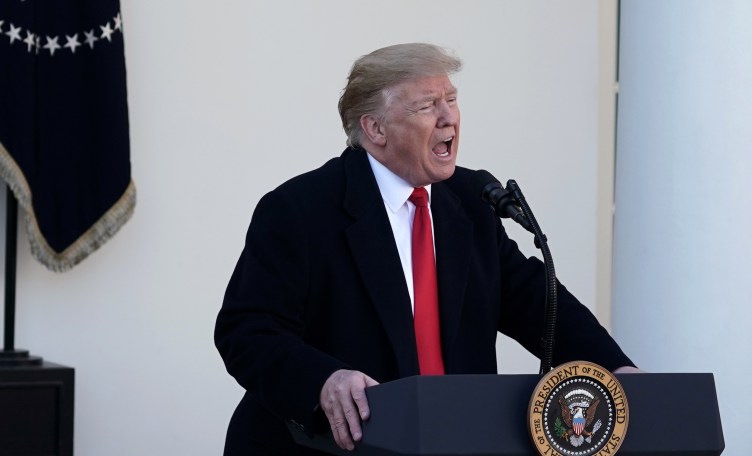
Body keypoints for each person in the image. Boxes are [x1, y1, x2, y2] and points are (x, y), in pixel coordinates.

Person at [214, 43, 637, 455]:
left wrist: (619, 372)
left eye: (450, 100)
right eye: (426, 105)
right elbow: (247, 330)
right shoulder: (300, 210)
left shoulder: (470, 202)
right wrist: (324, 380)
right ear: (375, 129)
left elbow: (537, 303)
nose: (447, 117)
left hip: (449, 439)